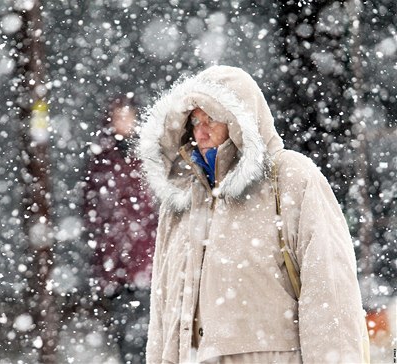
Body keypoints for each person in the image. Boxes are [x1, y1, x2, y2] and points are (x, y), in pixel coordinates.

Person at [137, 66, 369, 363]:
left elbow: (330, 296)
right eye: (195, 121)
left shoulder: (290, 178)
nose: (201, 131)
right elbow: (162, 313)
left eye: (212, 119)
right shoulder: (181, 198)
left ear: (240, 120)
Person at [83, 96, 158, 363]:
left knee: (149, 332)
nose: (124, 122)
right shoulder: (102, 158)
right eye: (119, 116)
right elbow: (93, 208)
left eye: (128, 116)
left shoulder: (148, 155)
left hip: (145, 261)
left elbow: (155, 206)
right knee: (126, 334)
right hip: (117, 264)